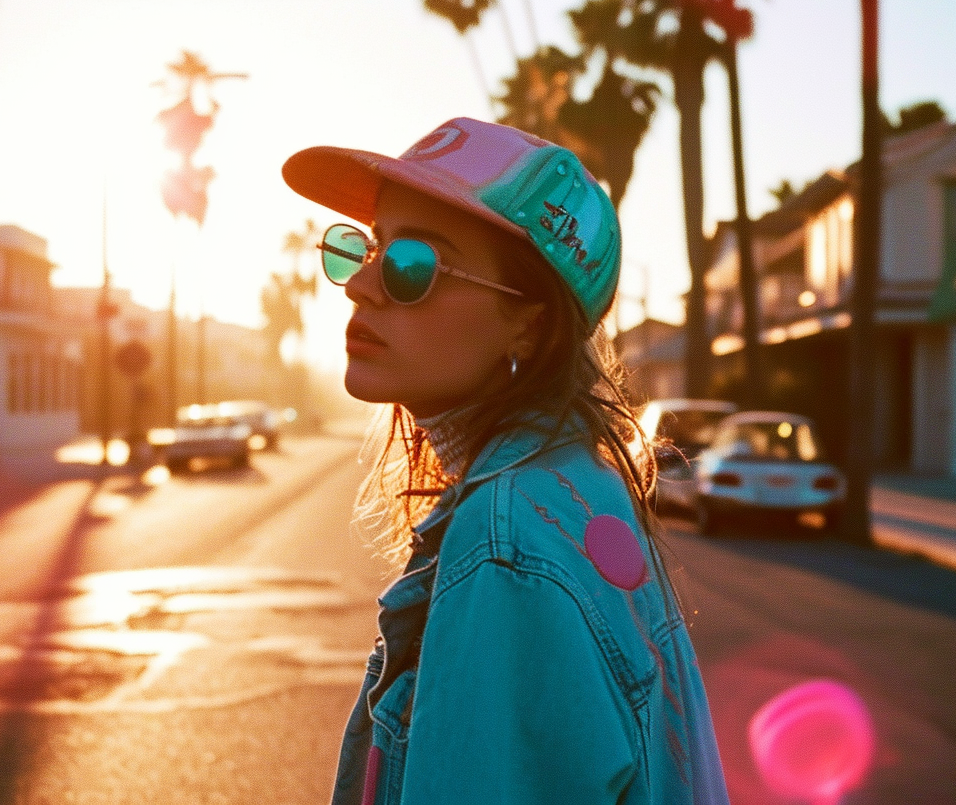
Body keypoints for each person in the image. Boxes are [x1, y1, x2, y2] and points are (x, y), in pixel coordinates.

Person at [282, 118, 730, 805]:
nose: (361, 285)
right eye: (365, 251)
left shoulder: (508, 545)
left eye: (412, 265)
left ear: (530, 321)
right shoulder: (579, 486)